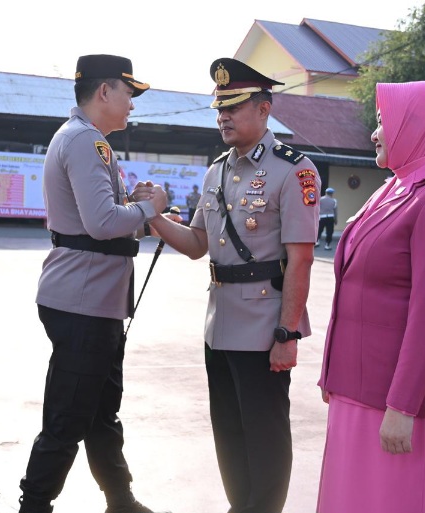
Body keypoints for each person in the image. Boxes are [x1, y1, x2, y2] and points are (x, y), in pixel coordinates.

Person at [149, 57, 319, 513]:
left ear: (264, 109)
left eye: (234, 106)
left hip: (265, 325)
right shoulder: (216, 170)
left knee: (264, 434)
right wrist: (153, 217)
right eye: (219, 107)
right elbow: (197, 244)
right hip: (219, 323)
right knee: (227, 431)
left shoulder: (294, 170)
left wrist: (286, 334)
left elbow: (301, 261)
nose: (223, 116)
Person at [316, 81, 425, 513]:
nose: (374, 133)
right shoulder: (392, 188)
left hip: (401, 402)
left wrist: (402, 406)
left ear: (416, 126)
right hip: (357, 390)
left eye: (381, 121)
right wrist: (331, 373)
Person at [17, 54, 169, 513]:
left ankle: (119, 498)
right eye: (128, 94)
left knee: (101, 411)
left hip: (93, 300)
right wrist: (151, 207)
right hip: (83, 301)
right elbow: (102, 223)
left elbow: (98, 223)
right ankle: (35, 504)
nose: (132, 106)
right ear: (105, 91)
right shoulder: (87, 141)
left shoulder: (87, 139)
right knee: (69, 415)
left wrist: (137, 209)